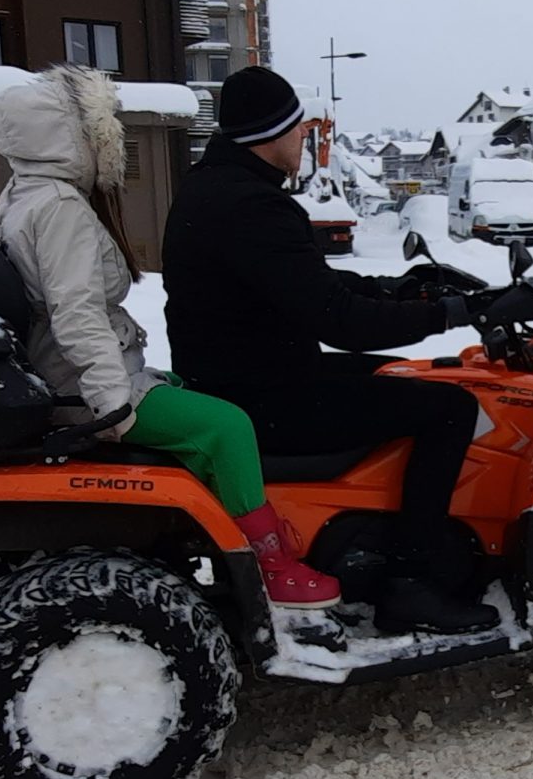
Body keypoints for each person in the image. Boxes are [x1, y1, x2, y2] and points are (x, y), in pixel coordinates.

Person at [0, 66, 339, 610]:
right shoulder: (60, 209)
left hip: (70, 371)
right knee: (228, 426)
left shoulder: (24, 195)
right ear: (70, 136)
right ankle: (271, 563)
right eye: (101, 129)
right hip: (85, 385)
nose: (111, 141)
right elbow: (76, 313)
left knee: (198, 397)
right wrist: (112, 404)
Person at [163, 66, 498, 636]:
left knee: (396, 372)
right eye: (300, 128)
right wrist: (452, 314)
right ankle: (411, 582)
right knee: (450, 408)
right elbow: (341, 322)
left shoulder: (215, 188)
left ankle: (377, 528)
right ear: (271, 133)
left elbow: (303, 286)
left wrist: (401, 289)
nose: (306, 138)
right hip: (264, 396)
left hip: (244, 374)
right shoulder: (253, 206)